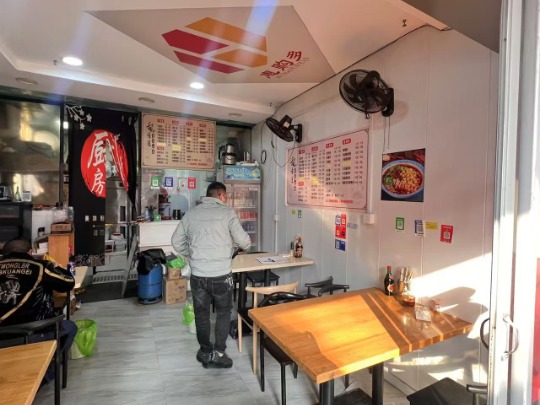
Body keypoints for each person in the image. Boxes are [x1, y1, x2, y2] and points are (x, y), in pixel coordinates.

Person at [172, 182, 251, 368]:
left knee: (201, 315)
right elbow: (245, 243)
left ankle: (205, 352)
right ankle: (220, 353)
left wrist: (192, 255)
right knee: (223, 313)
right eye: (226, 197)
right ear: (221, 196)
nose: (226, 200)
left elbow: (176, 241)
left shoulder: (191, 213)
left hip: (198, 275)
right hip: (222, 275)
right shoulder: (228, 213)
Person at [0, 238, 77, 382]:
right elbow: (68, 282)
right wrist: (54, 266)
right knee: (70, 327)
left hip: (2, 335)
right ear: (30, 252)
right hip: (31, 332)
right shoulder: (39, 267)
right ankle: (44, 375)